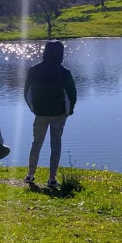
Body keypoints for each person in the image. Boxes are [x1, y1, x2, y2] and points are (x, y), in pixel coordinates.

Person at [24, 40, 77, 188]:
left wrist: (35, 109)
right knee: (55, 144)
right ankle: (52, 179)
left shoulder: (33, 70)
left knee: (36, 143)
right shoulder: (64, 72)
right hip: (58, 114)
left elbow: (27, 93)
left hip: (40, 113)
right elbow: (71, 95)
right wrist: (68, 112)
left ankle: (30, 175)